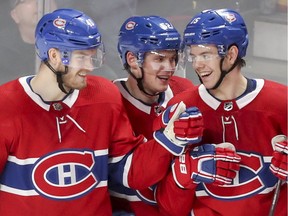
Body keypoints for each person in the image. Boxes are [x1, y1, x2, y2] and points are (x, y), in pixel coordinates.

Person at [0, 8, 204, 216]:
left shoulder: (104, 96)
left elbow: (130, 173)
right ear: (54, 55)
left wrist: (168, 140)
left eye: (92, 56)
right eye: (81, 57)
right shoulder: (5, 105)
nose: (89, 66)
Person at [153, 8, 288, 216]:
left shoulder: (280, 102)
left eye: (206, 54)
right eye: (193, 55)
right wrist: (182, 176)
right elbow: (168, 208)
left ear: (232, 54)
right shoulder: (181, 108)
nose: (197, 64)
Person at [110, 15, 195, 215]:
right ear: (132, 59)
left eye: (173, 58)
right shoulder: (109, 102)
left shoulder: (184, 91)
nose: (170, 67)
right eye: (159, 59)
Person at [0, 0, 57, 85]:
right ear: (15, 15)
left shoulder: (74, 44)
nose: (39, 3)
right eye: (28, 0)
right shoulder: (3, 51)